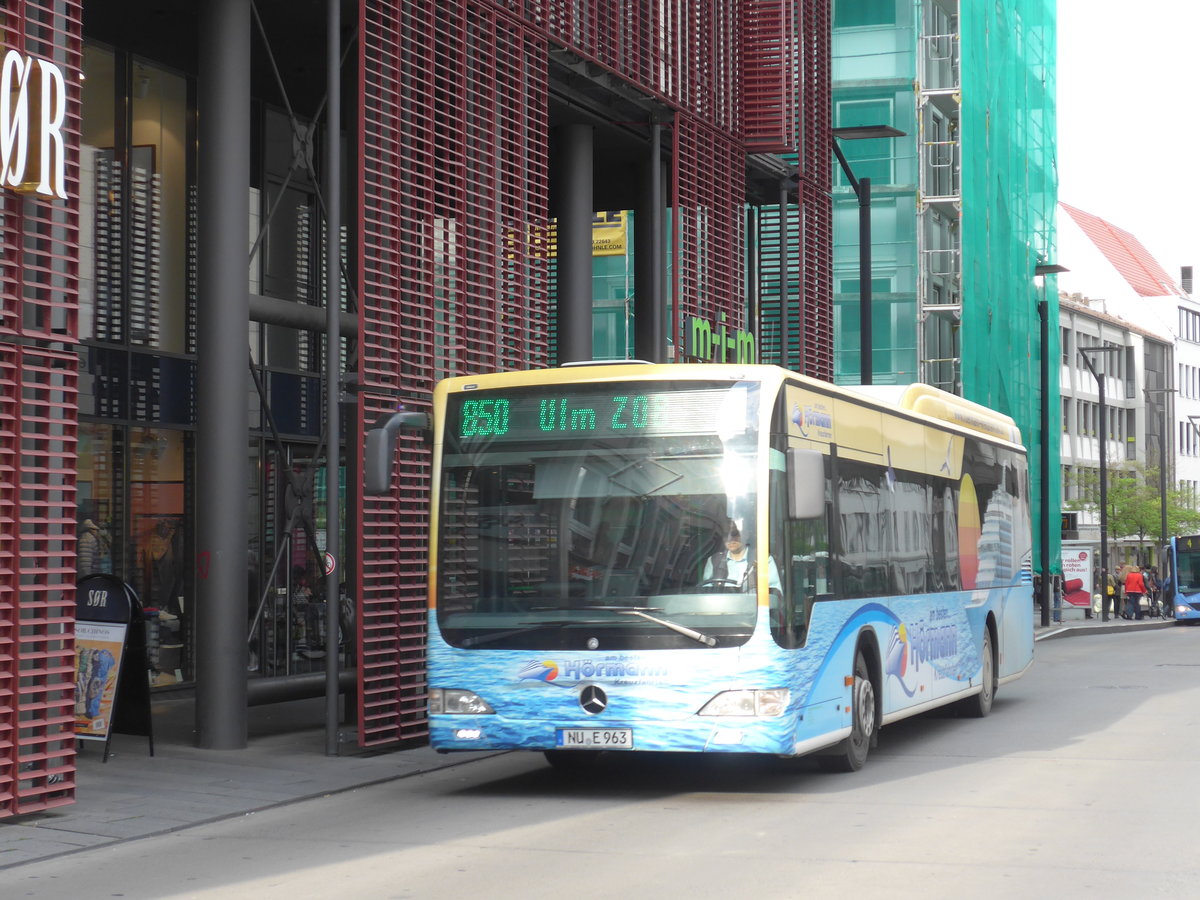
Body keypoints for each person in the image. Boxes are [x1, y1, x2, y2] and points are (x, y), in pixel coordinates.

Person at [702, 523, 782, 593]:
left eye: (735, 534)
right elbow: (705, 593)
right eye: (726, 535)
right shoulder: (714, 560)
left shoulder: (762, 558)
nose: (730, 539)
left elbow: (774, 593)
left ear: (746, 534)